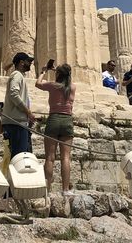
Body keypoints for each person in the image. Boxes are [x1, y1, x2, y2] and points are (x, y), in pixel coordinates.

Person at [36, 61, 76, 193]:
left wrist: (44, 72)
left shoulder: (52, 86)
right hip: (67, 120)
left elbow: (38, 83)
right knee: (65, 157)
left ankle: (47, 189)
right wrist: (58, 71)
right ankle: (65, 189)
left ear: (58, 74)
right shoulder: (72, 87)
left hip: (53, 119)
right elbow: (66, 77)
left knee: (50, 157)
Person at [2, 52, 36, 158]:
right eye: (28, 61)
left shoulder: (19, 76)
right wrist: (28, 112)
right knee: (18, 157)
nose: (30, 64)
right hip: (16, 123)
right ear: (21, 63)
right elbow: (13, 94)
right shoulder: (17, 75)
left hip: (17, 122)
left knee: (17, 157)